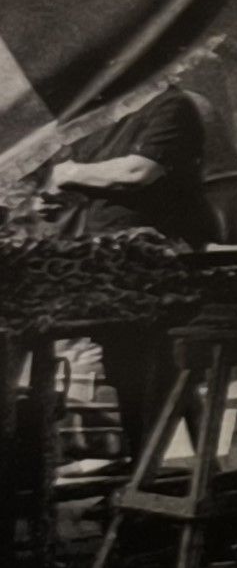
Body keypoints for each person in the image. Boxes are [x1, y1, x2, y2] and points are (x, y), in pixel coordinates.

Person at [46, 87, 220, 443]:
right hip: (111, 258)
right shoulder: (100, 116)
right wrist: (57, 196)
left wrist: (66, 173)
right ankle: (150, 464)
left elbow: (139, 171)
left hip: (164, 256)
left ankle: (150, 464)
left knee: (157, 364)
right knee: (128, 364)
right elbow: (88, 180)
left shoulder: (172, 105)